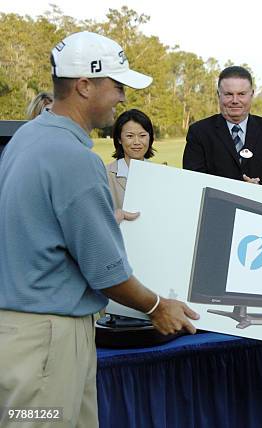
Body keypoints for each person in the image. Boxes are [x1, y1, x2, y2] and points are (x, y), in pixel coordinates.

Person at [0, 31, 199, 427]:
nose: (123, 97)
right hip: (47, 339)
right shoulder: (74, 157)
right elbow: (105, 269)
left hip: (25, 331)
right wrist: (158, 308)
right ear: (85, 86)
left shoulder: (28, 136)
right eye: (117, 85)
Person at [183, 66, 262, 191]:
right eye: (228, 94)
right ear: (218, 95)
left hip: (261, 208)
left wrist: (259, 189)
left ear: (251, 94)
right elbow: (192, 181)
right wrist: (235, 190)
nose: (235, 100)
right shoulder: (199, 132)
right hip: (217, 208)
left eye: (241, 94)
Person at [106, 109, 156, 209]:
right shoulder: (105, 175)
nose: (137, 142)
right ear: (119, 139)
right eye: (130, 136)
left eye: (142, 136)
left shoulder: (159, 173)